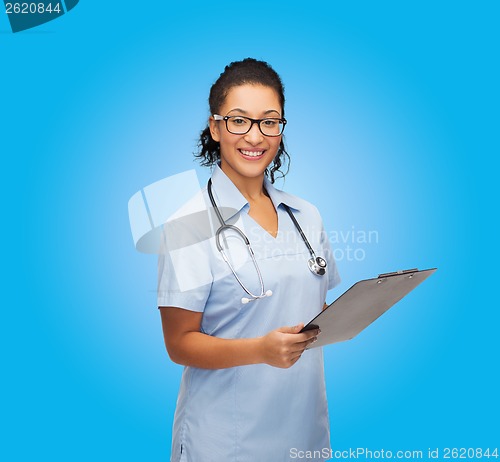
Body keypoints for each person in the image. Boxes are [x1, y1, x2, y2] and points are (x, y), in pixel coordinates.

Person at [157, 58, 340, 462]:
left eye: (269, 121)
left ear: (280, 129)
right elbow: (179, 343)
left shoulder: (306, 215)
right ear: (216, 126)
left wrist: (355, 311)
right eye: (239, 120)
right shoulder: (188, 225)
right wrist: (260, 350)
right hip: (225, 441)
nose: (255, 136)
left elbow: (313, 305)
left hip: (304, 433)